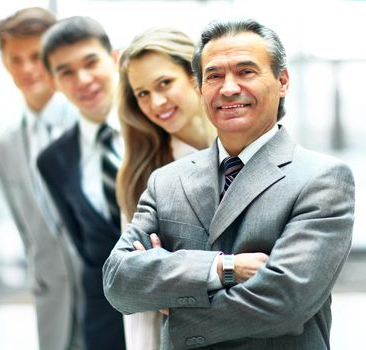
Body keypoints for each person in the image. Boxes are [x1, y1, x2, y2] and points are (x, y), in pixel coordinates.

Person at [103, 18, 355, 350]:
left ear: (282, 80)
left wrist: (173, 305)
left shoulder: (322, 178)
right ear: (200, 87)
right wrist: (224, 268)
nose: (229, 88)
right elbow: (118, 281)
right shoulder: (165, 181)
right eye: (215, 76)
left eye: (246, 72)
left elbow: (286, 302)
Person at [116, 27, 216, 349]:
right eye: (142, 93)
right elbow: (138, 295)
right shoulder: (141, 175)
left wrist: (170, 275)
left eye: (164, 84)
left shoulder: (253, 149)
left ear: (194, 74)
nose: (156, 102)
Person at [36, 16, 125, 350]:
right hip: (105, 324)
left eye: (91, 63)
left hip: (180, 312)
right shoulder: (52, 161)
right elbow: (86, 244)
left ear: (114, 59)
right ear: (54, 81)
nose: (83, 80)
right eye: (66, 72)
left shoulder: (157, 128)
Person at [0, 7, 83, 350]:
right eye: (14, 58)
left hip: (108, 297)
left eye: (36, 56)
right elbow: (25, 226)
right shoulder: (6, 144)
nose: (27, 68)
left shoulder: (90, 124)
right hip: (51, 302)